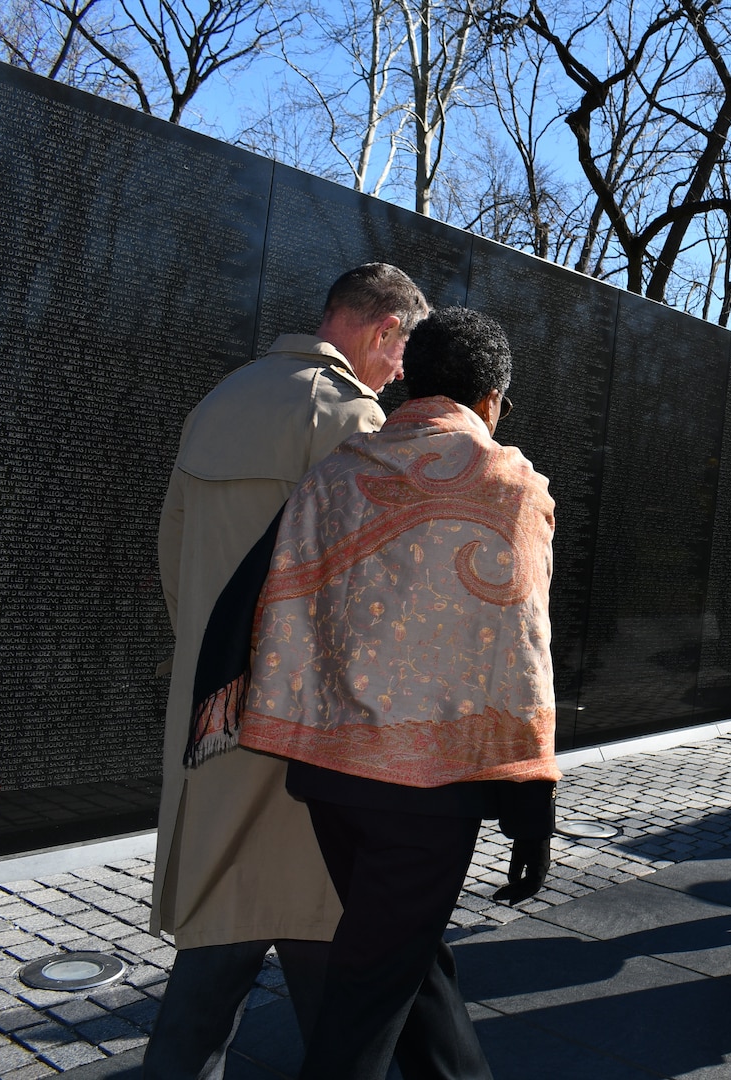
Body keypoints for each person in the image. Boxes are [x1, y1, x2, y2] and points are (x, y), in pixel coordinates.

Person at [233, 308, 558, 1080]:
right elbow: (522, 644)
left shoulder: (335, 473)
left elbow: (289, 613)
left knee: (407, 956)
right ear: (491, 399)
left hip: (325, 774)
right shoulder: (509, 485)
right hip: (429, 789)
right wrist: (531, 795)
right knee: (370, 997)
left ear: (410, 378)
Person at [148, 263, 429, 1078]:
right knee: (334, 970)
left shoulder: (219, 403)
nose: (401, 370)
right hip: (306, 742)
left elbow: (173, 559)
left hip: (215, 728)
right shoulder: (351, 419)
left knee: (216, 956)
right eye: (401, 351)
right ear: (382, 332)